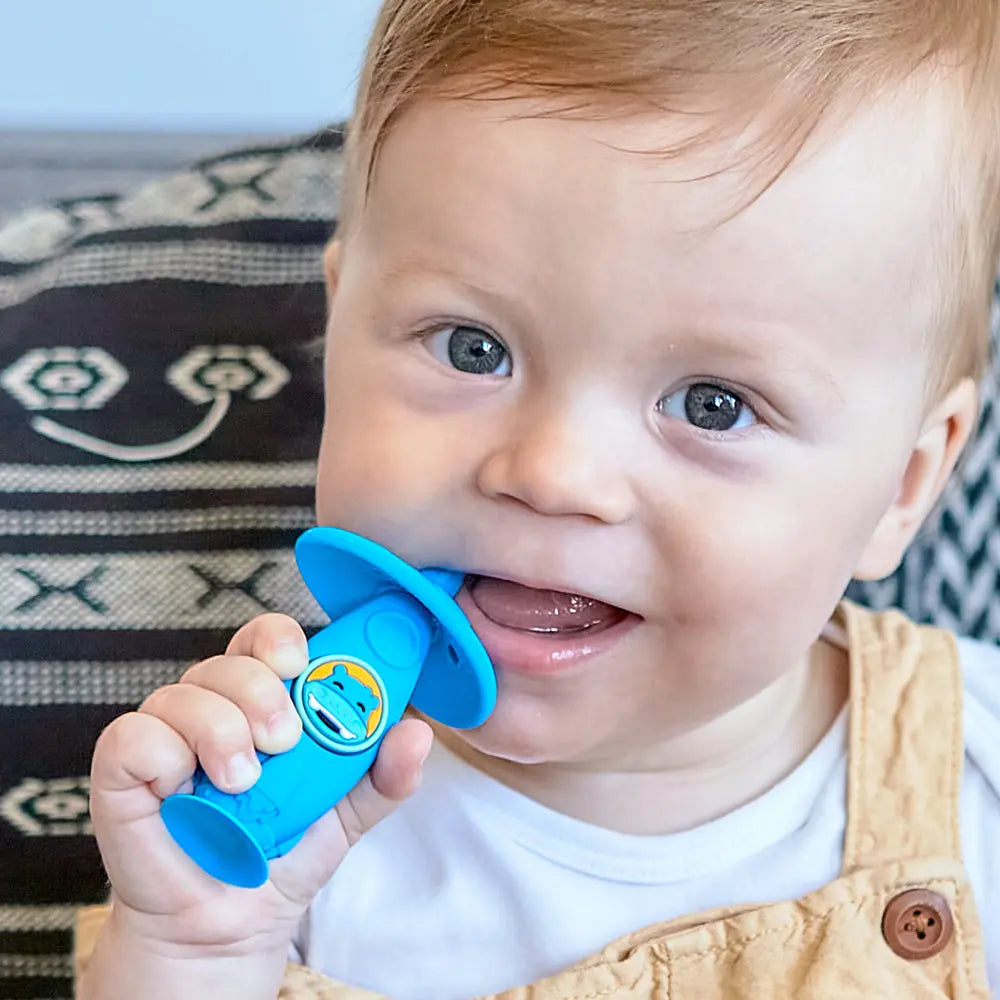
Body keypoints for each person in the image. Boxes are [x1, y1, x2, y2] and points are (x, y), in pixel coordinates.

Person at [78, 1, 1000, 997]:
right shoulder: (269, 806)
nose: (551, 471)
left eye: (712, 404)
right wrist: (194, 950)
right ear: (340, 330)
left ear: (902, 487)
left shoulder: (977, 775)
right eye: (474, 348)